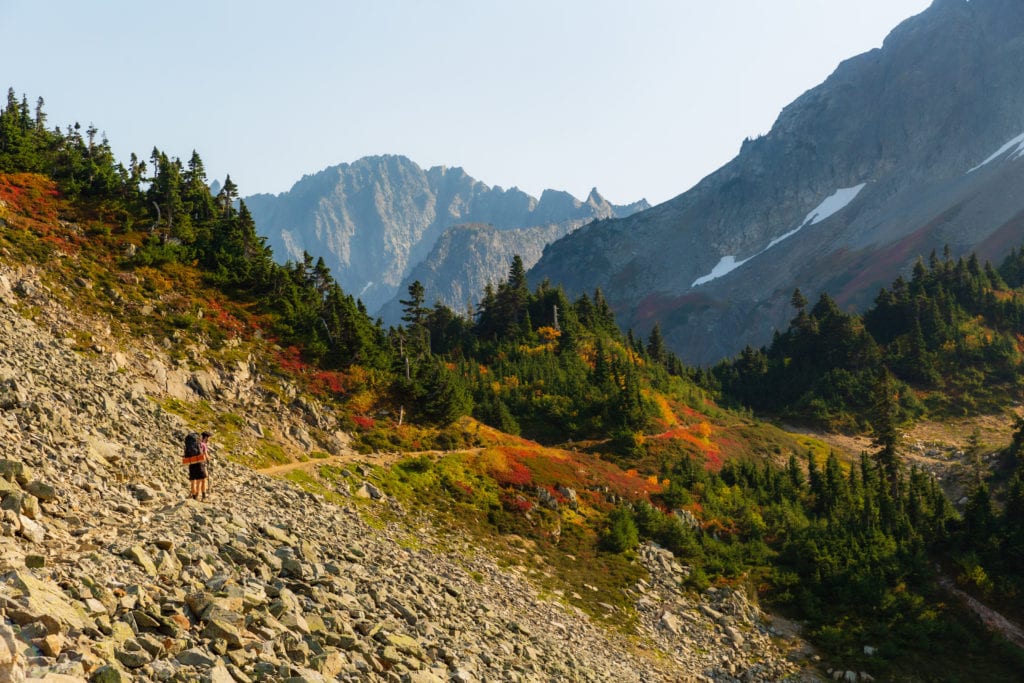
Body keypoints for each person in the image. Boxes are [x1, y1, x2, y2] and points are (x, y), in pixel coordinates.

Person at [184, 432, 212, 501]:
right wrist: (209, 459)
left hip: (191, 462)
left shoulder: (194, 444)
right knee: (202, 480)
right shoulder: (203, 445)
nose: (208, 439)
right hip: (200, 464)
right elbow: (206, 455)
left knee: (193, 481)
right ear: (205, 437)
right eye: (208, 438)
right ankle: (204, 497)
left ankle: (194, 497)